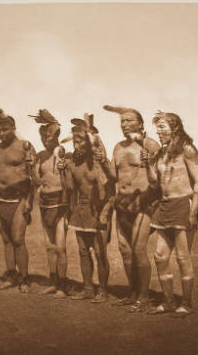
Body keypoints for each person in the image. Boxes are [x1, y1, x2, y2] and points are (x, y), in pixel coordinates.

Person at [97, 105, 160, 312]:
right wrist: (103, 162)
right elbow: (114, 176)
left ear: (140, 124)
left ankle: (144, 296)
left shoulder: (150, 144)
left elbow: (159, 177)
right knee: (124, 251)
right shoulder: (118, 147)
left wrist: (152, 200)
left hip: (142, 205)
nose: (124, 124)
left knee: (139, 250)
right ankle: (133, 293)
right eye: (122, 121)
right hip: (122, 204)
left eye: (129, 120)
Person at [141, 111, 198, 317]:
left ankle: (186, 303)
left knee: (183, 258)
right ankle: (168, 302)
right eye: (157, 127)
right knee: (160, 256)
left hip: (182, 206)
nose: (158, 132)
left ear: (174, 127)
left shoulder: (187, 149)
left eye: (162, 127)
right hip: (164, 207)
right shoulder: (161, 153)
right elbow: (153, 183)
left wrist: (193, 212)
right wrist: (148, 163)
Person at [0, 109, 36, 293]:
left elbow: (34, 177)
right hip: (0, 200)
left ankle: (25, 279)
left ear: (13, 127)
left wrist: (29, 201)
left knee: (18, 239)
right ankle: (11, 276)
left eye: (6, 129)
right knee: (7, 241)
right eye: (0, 130)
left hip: (19, 198)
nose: (2, 133)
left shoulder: (25, 146)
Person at [57, 117, 112, 303]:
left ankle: (103, 291)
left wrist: (104, 214)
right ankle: (88, 288)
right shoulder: (72, 162)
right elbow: (71, 188)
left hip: (99, 208)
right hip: (81, 209)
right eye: (75, 140)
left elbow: (111, 191)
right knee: (82, 250)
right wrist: (64, 171)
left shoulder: (99, 161)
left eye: (80, 140)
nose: (76, 144)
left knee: (99, 251)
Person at [29, 109, 70, 298]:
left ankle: (63, 285)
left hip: (60, 204)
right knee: (49, 247)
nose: (46, 140)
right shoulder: (39, 156)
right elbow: (37, 182)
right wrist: (31, 167)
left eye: (49, 136)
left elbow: (58, 146)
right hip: (44, 204)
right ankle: (53, 282)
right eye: (43, 137)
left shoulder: (60, 152)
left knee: (60, 247)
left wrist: (53, 126)